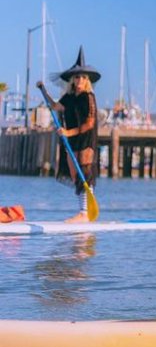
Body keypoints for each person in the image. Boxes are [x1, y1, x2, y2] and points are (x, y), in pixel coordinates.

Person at [37, 47, 101, 223]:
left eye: (83, 77)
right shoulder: (70, 97)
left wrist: (67, 132)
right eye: (77, 77)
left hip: (85, 138)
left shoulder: (88, 96)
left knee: (84, 171)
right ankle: (83, 211)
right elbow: (56, 106)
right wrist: (44, 91)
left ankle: (84, 213)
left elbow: (89, 123)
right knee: (75, 174)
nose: (79, 79)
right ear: (73, 79)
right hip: (72, 139)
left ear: (87, 80)